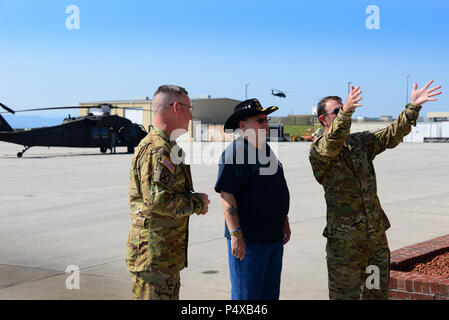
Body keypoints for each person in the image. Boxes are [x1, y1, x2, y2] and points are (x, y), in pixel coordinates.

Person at [309, 81, 442, 300]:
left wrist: (413, 107)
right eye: (338, 111)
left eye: (345, 108)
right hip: (345, 245)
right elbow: (332, 142)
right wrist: (347, 112)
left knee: (375, 293)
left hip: (374, 242)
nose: (344, 113)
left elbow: (391, 134)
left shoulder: (359, 143)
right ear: (324, 119)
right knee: (345, 296)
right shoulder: (319, 150)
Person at [126, 84, 210, 300]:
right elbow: (157, 201)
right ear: (175, 107)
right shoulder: (158, 150)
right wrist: (197, 202)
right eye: (188, 109)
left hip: (164, 257)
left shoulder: (169, 148)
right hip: (154, 260)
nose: (191, 117)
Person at [214, 98, 291, 300]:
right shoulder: (235, 153)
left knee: (269, 296)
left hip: (273, 240)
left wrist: (284, 220)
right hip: (249, 243)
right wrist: (235, 235)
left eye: (266, 120)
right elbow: (226, 195)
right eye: (260, 120)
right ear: (243, 125)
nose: (265, 124)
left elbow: (276, 189)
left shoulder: (266, 150)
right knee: (246, 298)